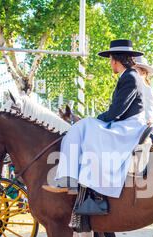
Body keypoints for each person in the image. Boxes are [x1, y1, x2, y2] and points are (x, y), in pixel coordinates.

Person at [42, 39, 147, 198]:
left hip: (128, 127)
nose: (110, 64)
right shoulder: (129, 76)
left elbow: (116, 112)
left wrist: (95, 119)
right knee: (84, 125)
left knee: (83, 126)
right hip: (126, 123)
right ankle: (73, 178)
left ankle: (68, 178)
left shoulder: (130, 77)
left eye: (110, 60)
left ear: (115, 59)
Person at [134, 55, 153, 126]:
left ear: (143, 72)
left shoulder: (146, 90)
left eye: (134, 70)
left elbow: (148, 117)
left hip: (141, 127)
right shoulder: (134, 87)